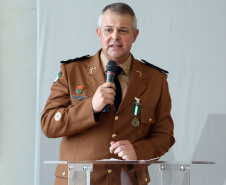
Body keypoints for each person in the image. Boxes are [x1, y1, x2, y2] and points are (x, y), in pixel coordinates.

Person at [41, 2, 175, 185]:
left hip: (128, 180)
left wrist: (138, 151)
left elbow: (164, 135)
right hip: (78, 181)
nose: (115, 37)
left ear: (135, 35)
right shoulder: (71, 72)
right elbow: (48, 124)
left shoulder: (155, 79)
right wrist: (91, 107)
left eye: (123, 31)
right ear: (98, 34)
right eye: (108, 30)